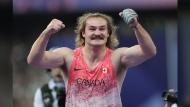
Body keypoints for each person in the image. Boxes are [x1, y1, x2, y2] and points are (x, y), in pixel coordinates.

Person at [28, 8, 157, 107]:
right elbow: (34, 60)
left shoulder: (117, 58)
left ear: (108, 33)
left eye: (102, 29)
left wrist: (136, 26)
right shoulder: (68, 56)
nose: (97, 33)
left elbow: (149, 51)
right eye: (92, 29)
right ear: (83, 33)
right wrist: (46, 33)